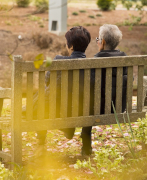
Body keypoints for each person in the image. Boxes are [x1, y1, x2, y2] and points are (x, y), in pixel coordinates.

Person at [27, 26, 91, 155]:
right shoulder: (92, 65)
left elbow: (47, 81)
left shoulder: (58, 61)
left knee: (42, 98)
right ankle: (86, 147)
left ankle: (41, 144)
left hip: (56, 111)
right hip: (81, 111)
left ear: (71, 46)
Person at [81, 24, 128, 156]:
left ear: (103, 42)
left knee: (88, 108)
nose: (97, 42)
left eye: (98, 39)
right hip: (119, 107)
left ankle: (86, 149)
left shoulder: (95, 61)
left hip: (97, 109)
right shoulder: (125, 59)